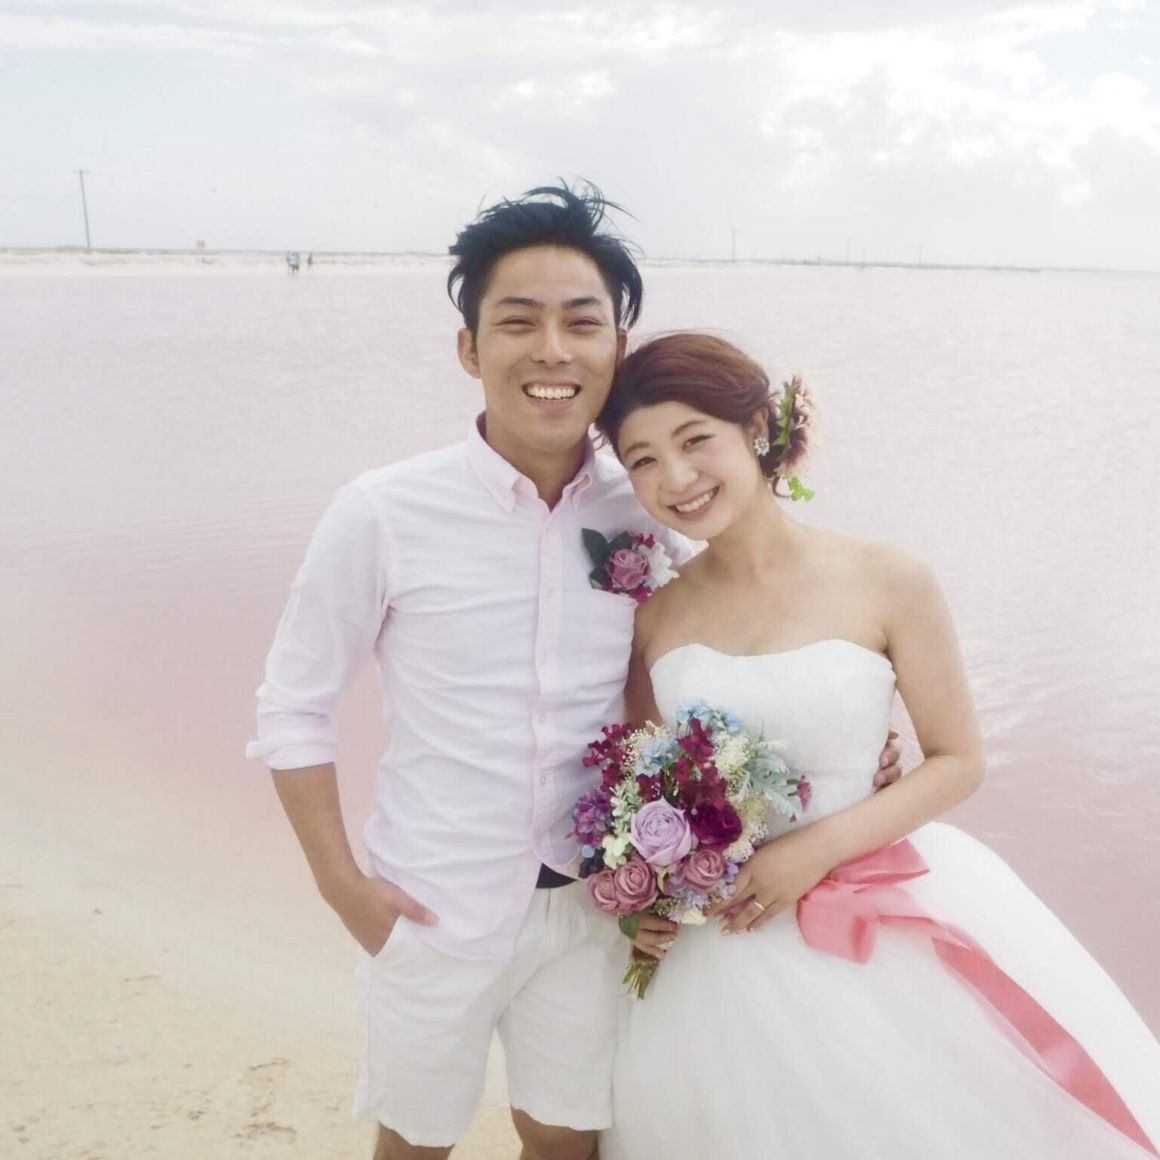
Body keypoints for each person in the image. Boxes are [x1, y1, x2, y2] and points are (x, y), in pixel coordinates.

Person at [246, 183, 904, 1160]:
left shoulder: (650, 502)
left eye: (581, 322)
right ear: (470, 348)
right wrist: (343, 886)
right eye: (518, 322)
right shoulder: (383, 512)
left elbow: (715, 644)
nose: (552, 349)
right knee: (415, 1140)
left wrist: (838, 739)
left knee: (568, 1139)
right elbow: (293, 707)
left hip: (599, 904)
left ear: (616, 345)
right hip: (431, 902)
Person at [592, 332, 1160, 1160]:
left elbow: (958, 760)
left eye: (694, 441)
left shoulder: (889, 579)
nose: (675, 478)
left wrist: (815, 849)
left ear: (757, 430)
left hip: (874, 906)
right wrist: (646, 902)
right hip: (724, 938)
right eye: (642, 460)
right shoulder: (655, 615)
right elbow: (651, 785)